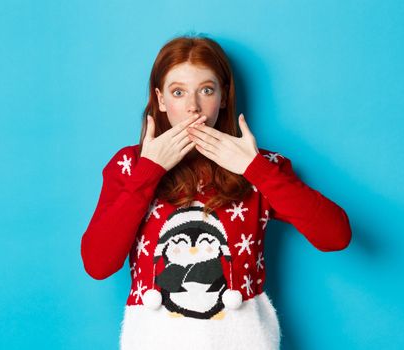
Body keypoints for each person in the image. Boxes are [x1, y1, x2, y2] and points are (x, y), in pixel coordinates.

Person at [80, 34, 352, 350]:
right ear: (161, 100)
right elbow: (98, 265)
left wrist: (255, 169)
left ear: (223, 96)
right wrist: (149, 171)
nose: (193, 107)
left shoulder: (259, 164)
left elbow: (336, 236)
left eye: (206, 90)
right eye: (178, 92)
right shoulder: (130, 165)